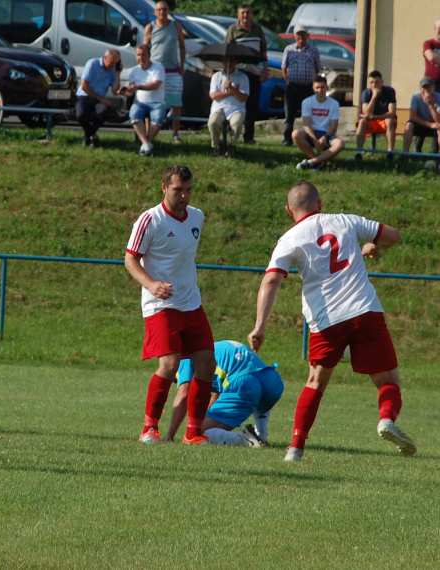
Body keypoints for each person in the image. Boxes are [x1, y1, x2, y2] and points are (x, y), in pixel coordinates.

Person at [248, 181, 416, 462]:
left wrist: (260, 326)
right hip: (364, 310)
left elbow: (272, 279)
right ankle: (386, 419)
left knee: (315, 382)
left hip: (326, 321)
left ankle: (295, 449)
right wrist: (374, 243)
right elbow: (394, 236)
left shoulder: (289, 239)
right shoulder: (345, 221)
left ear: (289, 210)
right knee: (387, 379)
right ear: (320, 203)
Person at [124, 165, 215, 446]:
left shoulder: (197, 216)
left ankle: (193, 432)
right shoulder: (150, 220)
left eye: (188, 190)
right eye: (178, 190)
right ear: (164, 187)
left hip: (191, 302)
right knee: (169, 363)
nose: (184, 196)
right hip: (159, 304)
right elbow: (130, 259)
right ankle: (149, 428)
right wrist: (151, 284)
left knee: (206, 363)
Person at [165, 340, 283, 447]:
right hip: (272, 381)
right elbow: (216, 393)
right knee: (257, 395)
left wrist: (169, 435)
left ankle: (248, 440)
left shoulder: (184, 358)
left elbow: (184, 393)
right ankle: (262, 435)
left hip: (245, 384)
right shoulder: (210, 348)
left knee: (195, 434)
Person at [225, 5, 268, 144]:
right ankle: (231, 133)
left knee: (252, 105)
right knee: (235, 103)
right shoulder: (233, 29)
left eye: (248, 13)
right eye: (242, 13)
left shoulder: (258, 29)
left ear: (252, 15)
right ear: (238, 15)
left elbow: (263, 52)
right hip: (238, 72)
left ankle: (249, 137)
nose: (245, 16)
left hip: (254, 72)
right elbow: (227, 52)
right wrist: (228, 73)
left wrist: (265, 70)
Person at [144, 1, 186, 144]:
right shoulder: (150, 27)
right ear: (155, 12)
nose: (162, 12)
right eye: (159, 10)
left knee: (176, 104)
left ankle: (175, 134)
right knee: (150, 101)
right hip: (155, 71)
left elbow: (182, 46)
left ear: (168, 11)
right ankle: (149, 133)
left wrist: (182, 65)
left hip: (174, 70)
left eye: (164, 9)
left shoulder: (176, 26)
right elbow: (145, 49)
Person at [294, 75, 344, 170]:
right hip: (312, 133)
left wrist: (325, 137)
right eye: (317, 87)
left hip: (327, 134)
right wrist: (314, 139)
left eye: (322, 87)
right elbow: (306, 124)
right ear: (313, 88)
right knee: (295, 134)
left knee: (340, 143)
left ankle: (312, 162)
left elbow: (334, 126)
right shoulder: (306, 102)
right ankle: (318, 161)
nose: (320, 90)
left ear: (327, 88)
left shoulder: (334, 103)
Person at [123, 43, 165, 156]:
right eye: (138, 55)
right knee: (134, 114)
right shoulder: (133, 71)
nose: (140, 57)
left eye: (143, 55)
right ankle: (146, 144)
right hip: (140, 103)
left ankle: (144, 144)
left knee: (158, 118)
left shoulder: (158, 67)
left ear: (149, 55)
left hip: (157, 102)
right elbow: (131, 89)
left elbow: (155, 85)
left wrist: (139, 86)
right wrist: (126, 91)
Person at [281, 25, 320, 146]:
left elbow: (317, 68)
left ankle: (309, 139)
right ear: (294, 36)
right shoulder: (289, 49)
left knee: (308, 115)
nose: (301, 37)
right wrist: (287, 80)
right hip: (292, 86)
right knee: (289, 114)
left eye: (303, 34)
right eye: (298, 34)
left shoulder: (314, 50)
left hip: (308, 87)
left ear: (307, 36)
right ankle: (287, 139)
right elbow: (284, 67)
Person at [75, 49, 120, 148]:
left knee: (103, 111)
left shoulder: (113, 69)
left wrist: (118, 73)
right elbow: (84, 86)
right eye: (111, 62)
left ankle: (88, 136)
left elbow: (114, 91)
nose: (113, 65)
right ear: (104, 58)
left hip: (98, 99)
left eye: (115, 63)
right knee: (80, 115)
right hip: (85, 95)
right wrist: (101, 99)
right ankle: (92, 135)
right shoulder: (92, 63)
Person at [207, 56, 249, 157]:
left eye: (232, 61)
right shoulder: (216, 76)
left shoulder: (243, 77)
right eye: (226, 61)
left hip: (237, 108)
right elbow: (213, 96)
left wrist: (232, 88)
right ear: (222, 62)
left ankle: (231, 147)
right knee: (213, 123)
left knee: (237, 124)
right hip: (219, 107)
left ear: (236, 62)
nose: (229, 64)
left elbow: (243, 98)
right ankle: (215, 147)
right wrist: (230, 92)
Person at [354, 70, 397, 161]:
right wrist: (374, 97)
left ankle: (390, 152)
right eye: (371, 82)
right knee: (362, 121)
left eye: (377, 82)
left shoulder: (390, 91)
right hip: (370, 121)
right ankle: (359, 152)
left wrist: (376, 117)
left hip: (384, 120)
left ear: (382, 82)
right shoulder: (366, 93)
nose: (374, 85)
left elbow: (392, 112)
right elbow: (366, 113)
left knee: (390, 120)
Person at [403, 77, 440, 155]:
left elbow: (438, 120)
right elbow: (412, 117)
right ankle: (405, 154)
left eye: (429, 87)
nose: (426, 90)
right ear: (420, 88)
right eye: (424, 87)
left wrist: (430, 105)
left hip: (434, 123)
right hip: (421, 123)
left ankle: (438, 158)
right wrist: (429, 124)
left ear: (433, 87)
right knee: (409, 125)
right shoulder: (416, 97)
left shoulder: (438, 97)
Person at [422, 19, 440, 91]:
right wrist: (434, 57)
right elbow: (431, 57)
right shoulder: (428, 43)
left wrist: (437, 58)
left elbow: (434, 57)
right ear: (435, 29)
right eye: (439, 28)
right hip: (430, 82)